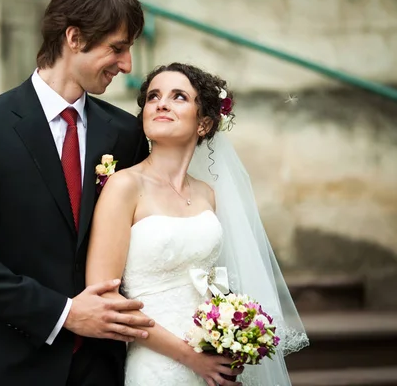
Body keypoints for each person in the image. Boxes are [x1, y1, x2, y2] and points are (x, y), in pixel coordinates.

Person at [0, 0, 155, 385]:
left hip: (102, 369)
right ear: (74, 38)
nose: (126, 64)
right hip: (10, 365)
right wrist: (65, 313)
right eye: (117, 48)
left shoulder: (125, 133)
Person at [86, 63, 309, 386]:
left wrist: (233, 334)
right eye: (153, 97)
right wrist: (189, 357)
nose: (161, 103)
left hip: (211, 364)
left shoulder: (207, 194)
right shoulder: (124, 186)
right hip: (157, 364)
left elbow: (211, 281)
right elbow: (105, 298)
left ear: (203, 123)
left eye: (178, 96)